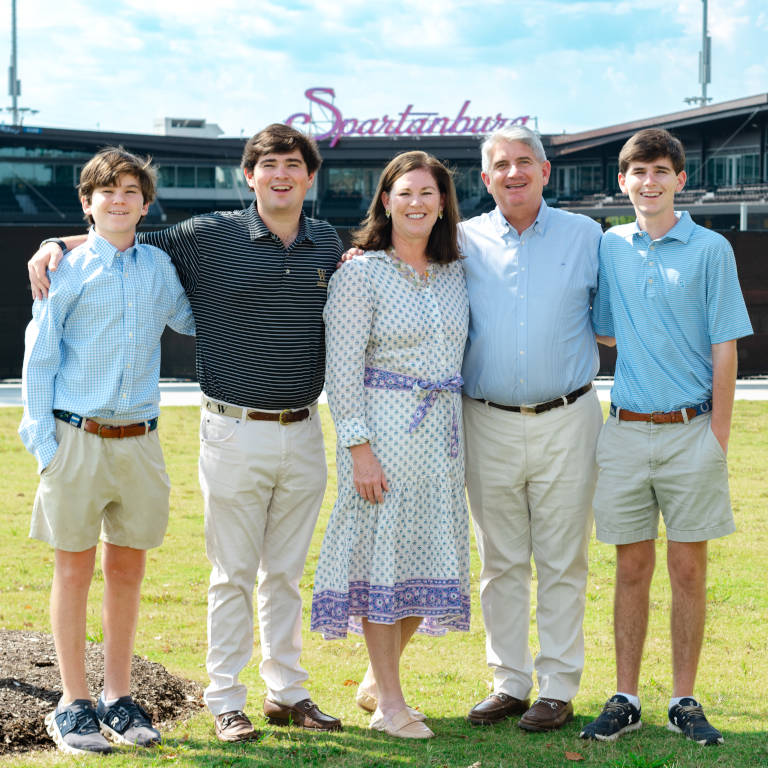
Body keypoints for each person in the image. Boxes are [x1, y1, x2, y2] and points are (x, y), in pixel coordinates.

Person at [26, 124, 343, 742]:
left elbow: (180, 304)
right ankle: (90, 700)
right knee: (187, 572)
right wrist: (53, 242)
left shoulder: (325, 242)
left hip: (252, 431)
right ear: (249, 175)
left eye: (292, 164)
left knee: (263, 572)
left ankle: (266, 692)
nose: (280, 174)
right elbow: (106, 249)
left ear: (310, 176)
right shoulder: (198, 236)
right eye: (268, 164)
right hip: (150, 433)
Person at [19, 146, 195, 755]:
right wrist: (45, 445)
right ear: (87, 203)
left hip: (140, 441)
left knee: (127, 571)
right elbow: (40, 357)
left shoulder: (159, 267)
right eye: (107, 192)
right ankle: (73, 702)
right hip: (75, 438)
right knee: (73, 570)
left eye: (130, 192)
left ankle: (117, 697)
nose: (119, 200)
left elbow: (194, 319)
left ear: (145, 205)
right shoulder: (65, 268)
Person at [581, 128, 753, 746]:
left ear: (680, 180)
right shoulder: (610, 245)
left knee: (687, 569)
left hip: (692, 431)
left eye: (659, 171)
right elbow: (605, 329)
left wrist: (718, 436)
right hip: (625, 430)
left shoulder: (711, 249)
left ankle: (684, 699)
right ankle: (625, 698)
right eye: (638, 172)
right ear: (622, 182)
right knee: (630, 568)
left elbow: (725, 345)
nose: (648, 182)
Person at [310, 151, 470, 739]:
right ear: (385, 200)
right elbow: (341, 372)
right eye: (405, 193)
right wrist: (359, 449)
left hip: (442, 445)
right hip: (384, 439)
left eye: (428, 193)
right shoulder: (360, 274)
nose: (417, 203)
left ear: (443, 203)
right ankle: (390, 707)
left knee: (425, 566)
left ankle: (378, 682)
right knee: (383, 568)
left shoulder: (455, 272)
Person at [461, 126, 605, 731]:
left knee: (563, 558)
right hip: (485, 419)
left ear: (546, 171)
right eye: (501, 164)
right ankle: (509, 683)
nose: (513, 172)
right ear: (486, 177)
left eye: (525, 161)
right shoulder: (462, 239)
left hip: (568, 418)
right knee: (499, 561)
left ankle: (558, 687)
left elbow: (613, 320)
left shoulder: (587, 235)